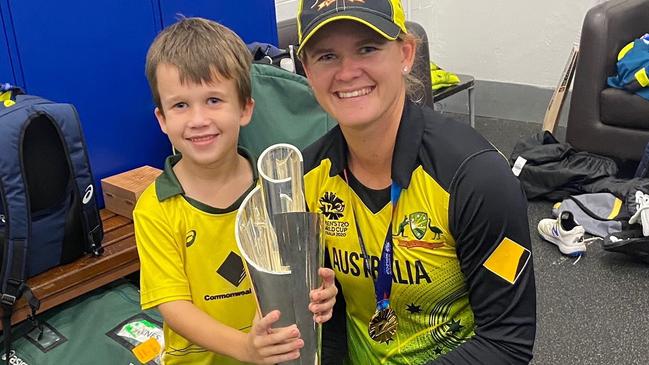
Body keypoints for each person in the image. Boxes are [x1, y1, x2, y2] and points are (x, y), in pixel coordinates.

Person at [297, 1, 536, 364]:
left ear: (405, 53)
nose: (347, 73)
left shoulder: (478, 177)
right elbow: (327, 323)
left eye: (367, 48)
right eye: (327, 56)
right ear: (307, 71)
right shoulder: (308, 176)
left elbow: (507, 341)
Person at [134, 17, 337, 365]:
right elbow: (174, 306)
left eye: (214, 100)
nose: (198, 119)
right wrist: (246, 348)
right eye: (181, 105)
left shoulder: (279, 187)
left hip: (280, 356)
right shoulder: (156, 208)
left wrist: (323, 292)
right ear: (162, 119)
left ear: (245, 108)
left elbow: (300, 269)